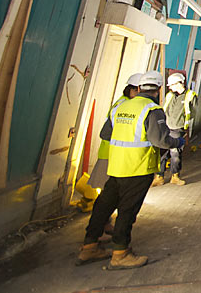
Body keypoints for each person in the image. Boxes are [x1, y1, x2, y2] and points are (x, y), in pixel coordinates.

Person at [76, 70, 185, 269]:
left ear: (140, 88)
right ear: (158, 89)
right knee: (127, 210)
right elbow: (159, 140)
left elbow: (106, 133)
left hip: (117, 166)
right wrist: (177, 141)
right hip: (138, 167)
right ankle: (120, 253)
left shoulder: (120, 107)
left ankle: (89, 246)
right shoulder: (152, 110)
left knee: (104, 205)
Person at [89, 73, 144, 190]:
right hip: (111, 151)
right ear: (134, 90)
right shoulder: (124, 104)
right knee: (105, 186)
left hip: (112, 150)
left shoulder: (123, 101)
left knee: (106, 186)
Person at [152, 73, 196, 186]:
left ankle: (175, 176)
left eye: (171, 85)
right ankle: (159, 177)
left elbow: (193, 112)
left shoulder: (190, 95)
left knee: (175, 153)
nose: (169, 87)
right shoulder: (170, 95)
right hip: (166, 127)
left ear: (179, 84)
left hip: (178, 128)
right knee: (162, 153)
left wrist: (183, 123)